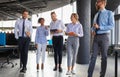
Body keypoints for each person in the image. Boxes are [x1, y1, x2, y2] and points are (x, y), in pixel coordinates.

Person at [88, 0, 115, 77]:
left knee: (104, 57)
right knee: (93, 57)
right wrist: (92, 30)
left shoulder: (109, 13)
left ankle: (102, 75)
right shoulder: (96, 14)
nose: (96, 3)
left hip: (104, 37)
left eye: (98, 2)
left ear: (103, 3)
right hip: (96, 37)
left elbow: (111, 26)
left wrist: (100, 27)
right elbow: (93, 26)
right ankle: (89, 75)